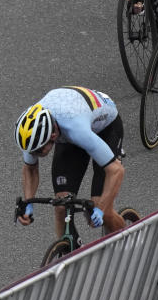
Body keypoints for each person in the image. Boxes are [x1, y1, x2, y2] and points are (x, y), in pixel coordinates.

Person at [15, 86, 126, 239]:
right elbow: (30, 168)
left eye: (38, 151)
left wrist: (100, 209)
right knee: (61, 206)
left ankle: (132, 241)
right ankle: (67, 255)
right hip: (70, 121)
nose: (35, 155)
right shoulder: (32, 132)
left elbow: (116, 170)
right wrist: (28, 202)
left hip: (105, 128)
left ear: (53, 135)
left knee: (102, 208)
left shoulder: (75, 129)